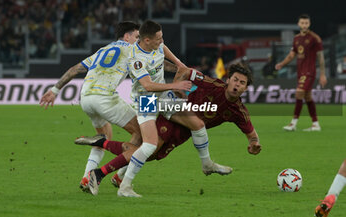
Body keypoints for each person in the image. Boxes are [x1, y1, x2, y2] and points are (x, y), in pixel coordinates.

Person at [86, 20, 232, 197]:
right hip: (146, 100)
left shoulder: (157, 44)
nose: (161, 41)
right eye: (158, 39)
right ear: (147, 40)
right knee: (149, 145)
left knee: (198, 124)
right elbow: (147, 85)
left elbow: (167, 52)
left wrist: (180, 64)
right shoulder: (135, 59)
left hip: (162, 97)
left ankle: (207, 163)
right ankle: (124, 186)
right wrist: (175, 86)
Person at [75, 63, 261, 195]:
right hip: (169, 110)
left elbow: (251, 135)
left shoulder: (239, 111)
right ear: (228, 80)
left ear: (246, 88)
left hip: (184, 130)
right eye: (235, 80)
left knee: (151, 153)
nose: (237, 85)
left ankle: (106, 150)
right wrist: (178, 88)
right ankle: (100, 174)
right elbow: (185, 70)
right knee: (152, 147)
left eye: (242, 83)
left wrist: (254, 144)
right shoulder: (213, 85)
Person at [39, 21, 142, 191]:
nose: (138, 41)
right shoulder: (132, 50)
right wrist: (181, 70)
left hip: (86, 98)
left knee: (104, 136)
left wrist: (54, 90)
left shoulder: (103, 50)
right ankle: (119, 176)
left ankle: (87, 178)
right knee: (143, 134)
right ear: (127, 36)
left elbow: (74, 69)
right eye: (136, 37)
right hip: (104, 98)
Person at [275, 14, 327, 132]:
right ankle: (315, 124)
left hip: (309, 72)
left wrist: (323, 74)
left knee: (299, 93)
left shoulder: (315, 38)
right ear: (298, 24)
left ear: (309, 24)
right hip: (300, 72)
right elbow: (291, 55)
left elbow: (321, 57)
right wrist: (282, 64)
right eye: (302, 23)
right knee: (308, 97)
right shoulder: (296, 38)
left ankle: (293, 124)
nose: (304, 25)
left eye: (306, 23)